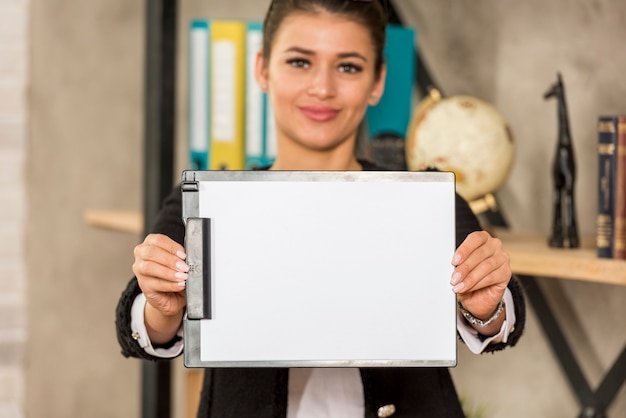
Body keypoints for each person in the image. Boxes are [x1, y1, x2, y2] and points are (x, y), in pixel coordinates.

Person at [116, 0, 526, 416]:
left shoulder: (423, 200)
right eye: (299, 62)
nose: (322, 88)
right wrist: (161, 307)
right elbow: (138, 326)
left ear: (377, 81)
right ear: (262, 68)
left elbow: (499, 321)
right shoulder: (209, 200)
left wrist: (485, 308)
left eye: (348, 66)